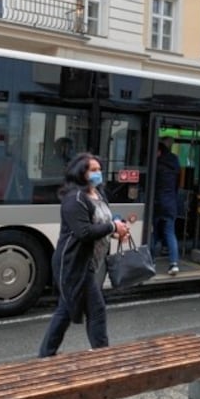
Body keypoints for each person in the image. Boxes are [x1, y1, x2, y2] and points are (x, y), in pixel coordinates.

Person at [38, 153, 129, 357]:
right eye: (93, 170)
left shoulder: (98, 194)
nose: (98, 173)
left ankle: (46, 355)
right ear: (81, 173)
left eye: (99, 169)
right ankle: (101, 355)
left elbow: (100, 224)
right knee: (95, 310)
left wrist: (117, 231)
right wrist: (113, 226)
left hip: (90, 261)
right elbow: (84, 232)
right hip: (73, 263)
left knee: (66, 310)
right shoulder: (74, 199)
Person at [153, 138, 181, 275]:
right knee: (170, 233)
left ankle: (151, 261)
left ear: (158, 151)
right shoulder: (174, 163)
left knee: (153, 233)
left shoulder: (156, 166)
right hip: (171, 203)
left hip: (158, 203)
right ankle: (174, 263)